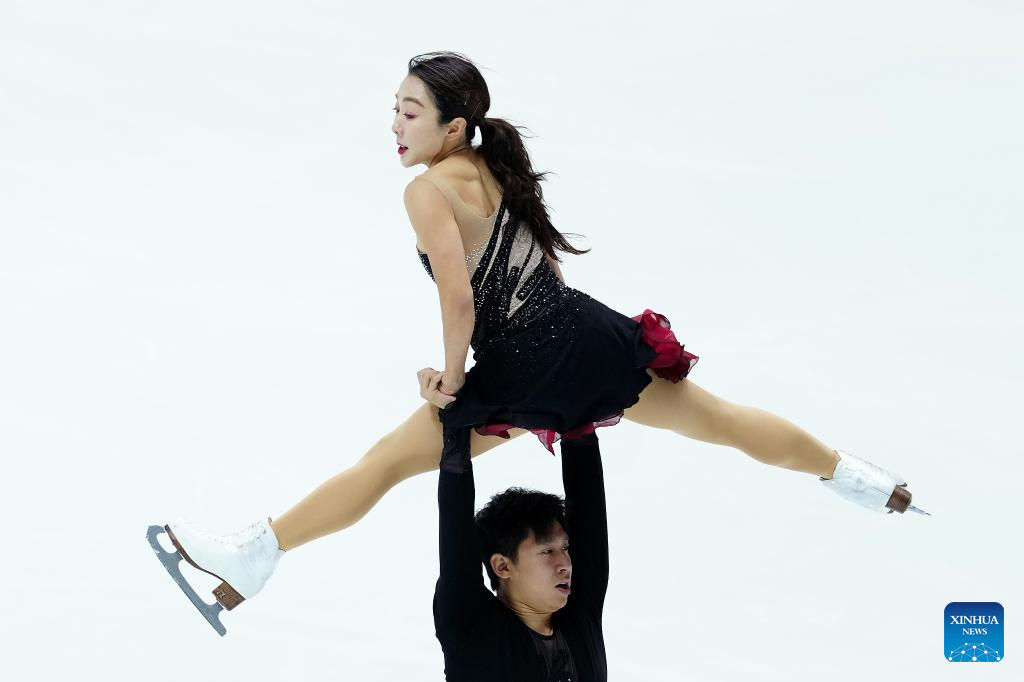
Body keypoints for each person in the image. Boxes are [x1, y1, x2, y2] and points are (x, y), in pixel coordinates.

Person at [147, 51, 927, 637]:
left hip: (527, 368)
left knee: (385, 463)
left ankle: (255, 555)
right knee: (719, 420)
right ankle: (860, 479)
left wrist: (452, 379)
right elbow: (540, 263)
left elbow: (458, 296)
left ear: (453, 125)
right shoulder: (491, 165)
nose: (396, 125)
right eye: (395, 109)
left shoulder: (425, 190)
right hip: (584, 334)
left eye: (410, 112)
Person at [435, 428, 608, 681]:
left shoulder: (580, 616)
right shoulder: (470, 628)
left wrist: (577, 423)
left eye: (565, 548)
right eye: (547, 551)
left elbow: (588, 510)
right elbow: (456, 538)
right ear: (503, 566)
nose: (566, 564)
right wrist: (456, 432)